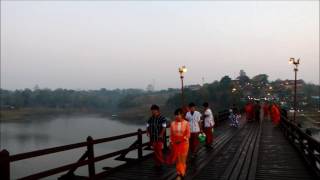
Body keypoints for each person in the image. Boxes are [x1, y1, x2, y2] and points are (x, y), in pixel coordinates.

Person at [168, 108, 191, 178]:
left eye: (178, 114)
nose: (177, 116)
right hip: (175, 144)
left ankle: (181, 173)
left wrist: (181, 140)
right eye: (176, 115)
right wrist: (170, 142)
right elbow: (171, 134)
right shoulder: (172, 124)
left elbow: (188, 134)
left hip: (184, 144)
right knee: (178, 159)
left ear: (182, 115)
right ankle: (180, 173)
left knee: (183, 159)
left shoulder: (186, 123)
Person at [146, 104, 167, 169]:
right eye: (152, 110)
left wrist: (161, 134)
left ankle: (161, 163)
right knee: (155, 151)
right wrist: (147, 131)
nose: (152, 111)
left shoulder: (162, 118)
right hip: (152, 137)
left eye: (153, 110)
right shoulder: (150, 118)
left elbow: (164, 127)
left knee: (159, 150)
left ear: (157, 110)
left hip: (159, 137)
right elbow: (147, 125)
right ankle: (157, 163)